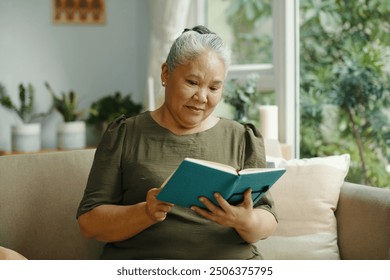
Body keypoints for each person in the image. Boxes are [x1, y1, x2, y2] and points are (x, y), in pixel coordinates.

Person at [76, 25, 277, 260]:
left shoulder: (242, 137)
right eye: (192, 82)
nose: (202, 97)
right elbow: (89, 223)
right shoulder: (124, 134)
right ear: (165, 74)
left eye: (214, 87)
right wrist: (146, 212)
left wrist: (246, 220)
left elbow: (268, 218)